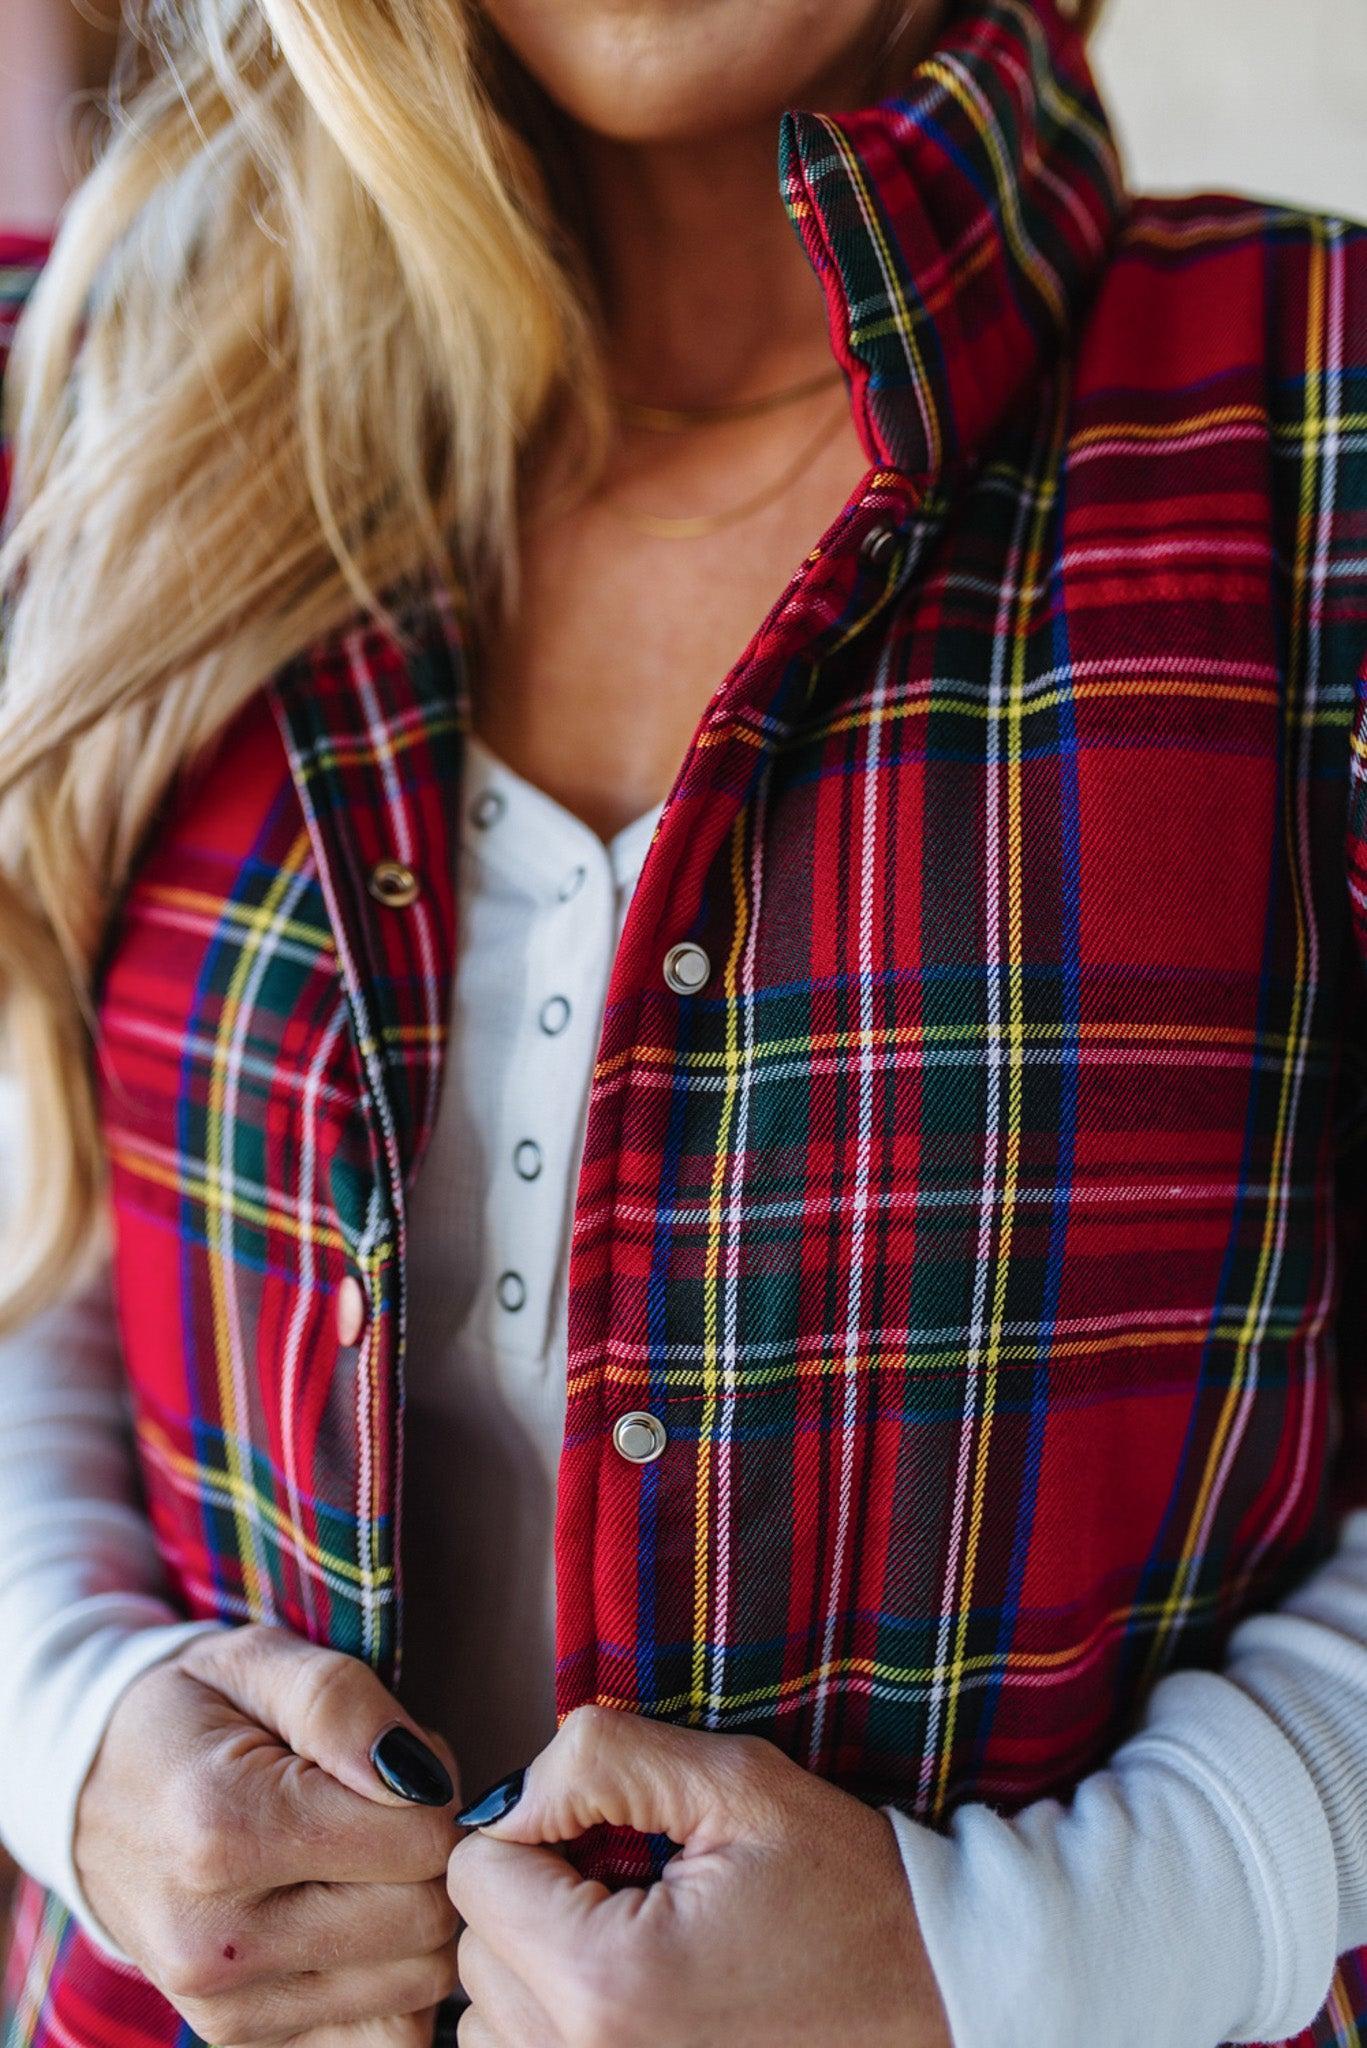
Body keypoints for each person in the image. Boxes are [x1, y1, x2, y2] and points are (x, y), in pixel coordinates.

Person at [0, 0, 1364, 2043]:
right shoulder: (119, 394)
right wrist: (64, 1726)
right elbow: (65, 1240)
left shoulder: (1322, 423)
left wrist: (1028, 1949)